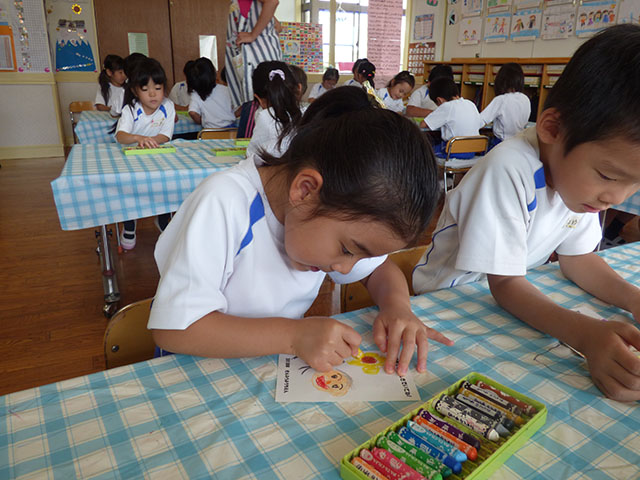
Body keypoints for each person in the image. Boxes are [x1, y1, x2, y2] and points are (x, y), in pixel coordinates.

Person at [148, 86, 453, 377]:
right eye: (347, 250)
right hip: (194, 373)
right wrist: (294, 337)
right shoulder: (224, 201)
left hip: (267, 368)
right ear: (305, 190)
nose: (346, 269)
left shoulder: (321, 213)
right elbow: (175, 330)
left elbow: (379, 270)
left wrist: (397, 307)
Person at [413, 24, 640, 402]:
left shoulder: (578, 183)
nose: (614, 197)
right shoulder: (509, 169)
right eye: (607, 175)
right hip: (447, 306)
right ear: (553, 128)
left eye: (634, 184)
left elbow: (578, 259)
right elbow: (503, 283)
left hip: (505, 301)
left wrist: (633, 298)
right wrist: (585, 334)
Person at [115, 57, 176, 250]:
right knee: (128, 187)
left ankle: (163, 217)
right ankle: (129, 222)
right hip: (130, 159)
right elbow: (120, 136)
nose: (152, 94)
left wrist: (150, 142)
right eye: (145, 89)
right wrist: (138, 138)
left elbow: (166, 135)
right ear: (135, 91)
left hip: (158, 156)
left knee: (166, 184)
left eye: (158, 88)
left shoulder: (168, 106)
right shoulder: (131, 109)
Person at [225, 0, 283, 110]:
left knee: (263, 105)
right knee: (257, 106)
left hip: (258, 56)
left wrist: (253, 35)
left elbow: (272, 1)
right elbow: (277, 26)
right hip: (252, 56)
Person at [246, 61, 301, 161]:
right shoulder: (307, 113)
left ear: (258, 99)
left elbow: (251, 157)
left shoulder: (265, 117)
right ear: (298, 89)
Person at [420, 77, 483, 158]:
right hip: (473, 150)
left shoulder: (447, 106)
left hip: (454, 150)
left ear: (439, 100)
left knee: (424, 151)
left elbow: (423, 125)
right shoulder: (470, 104)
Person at [480, 63, 531, 147]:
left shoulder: (501, 100)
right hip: (519, 144)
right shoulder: (526, 99)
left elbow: (480, 121)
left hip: (501, 144)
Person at [187, 57, 236, 129]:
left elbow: (192, 113)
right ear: (213, 73)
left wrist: (202, 121)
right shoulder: (226, 90)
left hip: (209, 131)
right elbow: (238, 108)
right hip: (230, 130)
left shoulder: (196, 94)